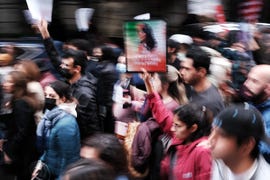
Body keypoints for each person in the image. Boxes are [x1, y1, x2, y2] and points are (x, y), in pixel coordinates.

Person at [140, 68, 213, 180]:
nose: (172, 129)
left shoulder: (202, 152)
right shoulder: (180, 137)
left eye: (177, 126)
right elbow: (161, 112)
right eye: (174, 124)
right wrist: (148, 83)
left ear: (193, 128)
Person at [33, 80, 80, 179]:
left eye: (52, 96)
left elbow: (69, 157)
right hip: (50, 168)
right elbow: (49, 146)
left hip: (59, 173)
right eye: (46, 95)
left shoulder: (66, 124)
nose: (48, 99)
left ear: (62, 99)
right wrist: (41, 163)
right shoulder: (51, 115)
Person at [209, 103, 270, 179]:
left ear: (247, 145)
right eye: (212, 131)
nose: (210, 140)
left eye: (222, 135)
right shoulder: (221, 161)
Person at [0, 71, 39, 180]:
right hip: (20, 148)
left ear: (17, 85)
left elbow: (22, 131)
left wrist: (9, 151)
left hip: (23, 151)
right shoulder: (17, 100)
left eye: (9, 82)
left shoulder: (21, 103)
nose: (4, 84)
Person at [179, 45, 225, 116]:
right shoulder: (193, 87)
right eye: (181, 68)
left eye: (187, 69)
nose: (182, 72)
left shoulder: (210, 103)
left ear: (202, 72)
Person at [240, 64, 270, 163]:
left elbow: (265, 150)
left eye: (255, 81)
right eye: (248, 79)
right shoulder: (253, 101)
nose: (247, 84)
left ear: (268, 88)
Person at [14, 59, 45, 124]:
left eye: (19, 70)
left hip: (34, 121)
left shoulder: (32, 86)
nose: (16, 73)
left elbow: (36, 106)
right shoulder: (29, 84)